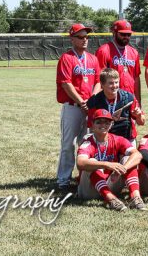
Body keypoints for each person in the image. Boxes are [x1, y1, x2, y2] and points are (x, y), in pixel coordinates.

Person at [56, 23, 101, 189]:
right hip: (72, 107)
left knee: (87, 143)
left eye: (86, 37)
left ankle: (84, 178)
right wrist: (82, 102)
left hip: (89, 108)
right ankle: (63, 180)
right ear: (72, 39)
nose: (85, 40)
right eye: (80, 37)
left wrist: (92, 100)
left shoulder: (93, 59)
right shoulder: (67, 58)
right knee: (68, 144)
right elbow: (66, 83)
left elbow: (98, 81)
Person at [76, 109, 146, 211]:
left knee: (128, 159)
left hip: (111, 183)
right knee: (93, 162)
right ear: (92, 125)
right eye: (99, 122)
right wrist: (106, 164)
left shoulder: (118, 139)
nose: (103, 125)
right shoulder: (88, 142)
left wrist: (123, 168)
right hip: (89, 190)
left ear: (111, 124)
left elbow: (138, 155)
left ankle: (135, 198)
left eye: (107, 122)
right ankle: (111, 200)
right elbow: (80, 163)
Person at [86, 68, 144, 146]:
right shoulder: (94, 101)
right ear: (102, 85)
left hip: (126, 139)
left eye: (116, 82)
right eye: (110, 83)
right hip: (105, 141)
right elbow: (91, 126)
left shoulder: (128, 98)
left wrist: (138, 116)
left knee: (133, 153)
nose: (114, 86)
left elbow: (141, 122)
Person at [96, 19, 142, 103]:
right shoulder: (103, 51)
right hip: (110, 100)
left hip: (130, 98)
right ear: (114, 33)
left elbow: (136, 79)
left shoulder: (134, 52)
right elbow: (99, 79)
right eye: (123, 34)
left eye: (128, 34)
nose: (126, 37)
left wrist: (138, 101)